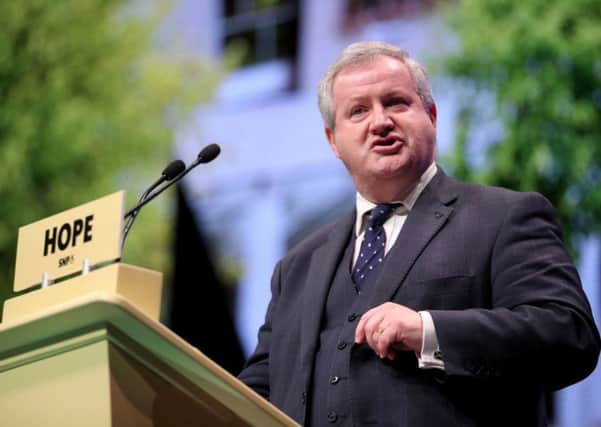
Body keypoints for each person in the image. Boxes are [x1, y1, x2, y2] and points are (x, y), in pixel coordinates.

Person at [238, 41, 600, 426]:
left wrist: (429, 330)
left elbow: (568, 337)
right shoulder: (297, 266)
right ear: (333, 141)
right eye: (358, 111)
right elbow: (254, 392)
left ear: (431, 115)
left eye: (395, 102)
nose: (380, 121)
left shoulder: (505, 216)